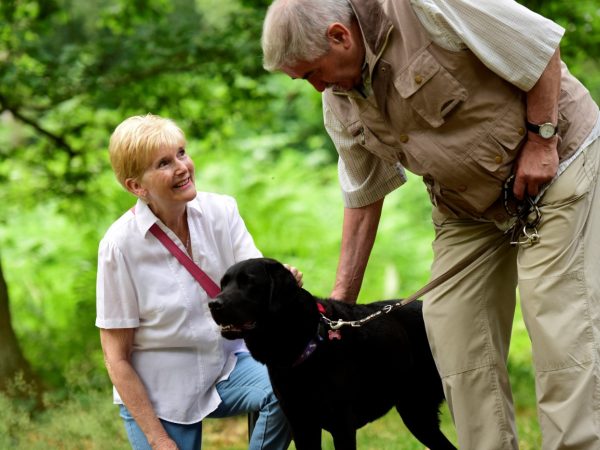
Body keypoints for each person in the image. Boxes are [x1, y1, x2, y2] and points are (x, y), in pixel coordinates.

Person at [261, 0, 600, 449]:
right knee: (456, 339)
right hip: (466, 207)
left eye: (311, 73)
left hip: (558, 165)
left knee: (558, 331)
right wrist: (337, 309)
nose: (316, 87)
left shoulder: (425, 7)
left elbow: (538, 48)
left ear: (340, 36)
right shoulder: (339, 100)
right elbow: (364, 195)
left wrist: (542, 138)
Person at [96, 114, 295, 450]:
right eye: (163, 163)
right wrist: (157, 438)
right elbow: (115, 356)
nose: (182, 167)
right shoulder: (119, 246)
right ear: (136, 186)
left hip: (228, 365)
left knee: (289, 388)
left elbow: (257, 285)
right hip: (162, 391)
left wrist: (286, 281)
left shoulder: (222, 212)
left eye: (181, 153)